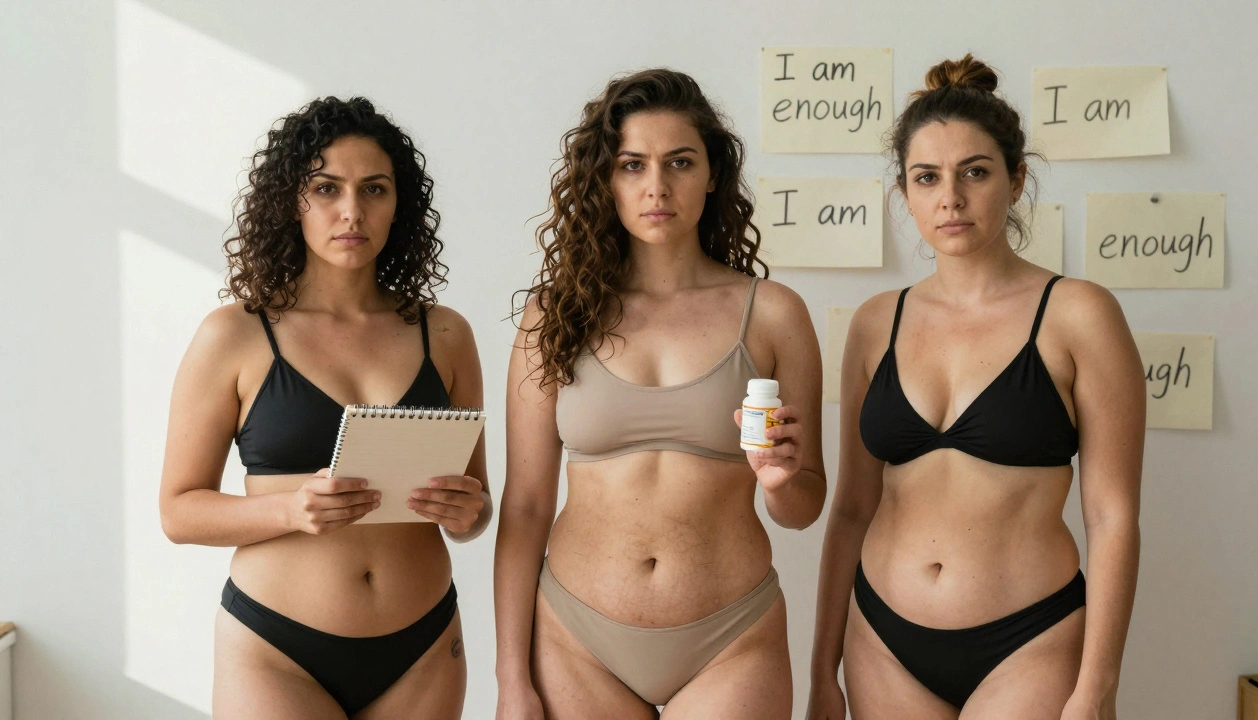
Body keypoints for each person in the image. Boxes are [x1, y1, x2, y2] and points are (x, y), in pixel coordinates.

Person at [806, 55, 1145, 720]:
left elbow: (1114, 519)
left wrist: (1097, 688)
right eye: (926, 177)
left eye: (976, 173)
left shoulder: (1080, 313)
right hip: (882, 635)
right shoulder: (877, 322)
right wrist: (822, 671)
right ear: (905, 192)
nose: (950, 198)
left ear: (1016, 180)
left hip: (1031, 639)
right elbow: (850, 509)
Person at [494, 69, 826, 720]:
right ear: (604, 180)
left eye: (680, 162)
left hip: (732, 637)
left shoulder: (775, 314)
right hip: (575, 637)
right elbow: (527, 506)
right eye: (632, 165)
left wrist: (782, 479)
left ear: (712, 175)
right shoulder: (553, 317)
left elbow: (804, 506)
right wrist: (512, 680)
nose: (657, 187)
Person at [158, 96, 490, 720]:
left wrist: (469, 510)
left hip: (422, 646)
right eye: (326, 188)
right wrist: (289, 509)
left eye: (374, 189)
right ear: (293, 200)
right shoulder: (234, 335)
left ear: (401, 205)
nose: (352, 211)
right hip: (277, 649)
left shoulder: (444, 334)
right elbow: (178, 512)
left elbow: (475, 510)